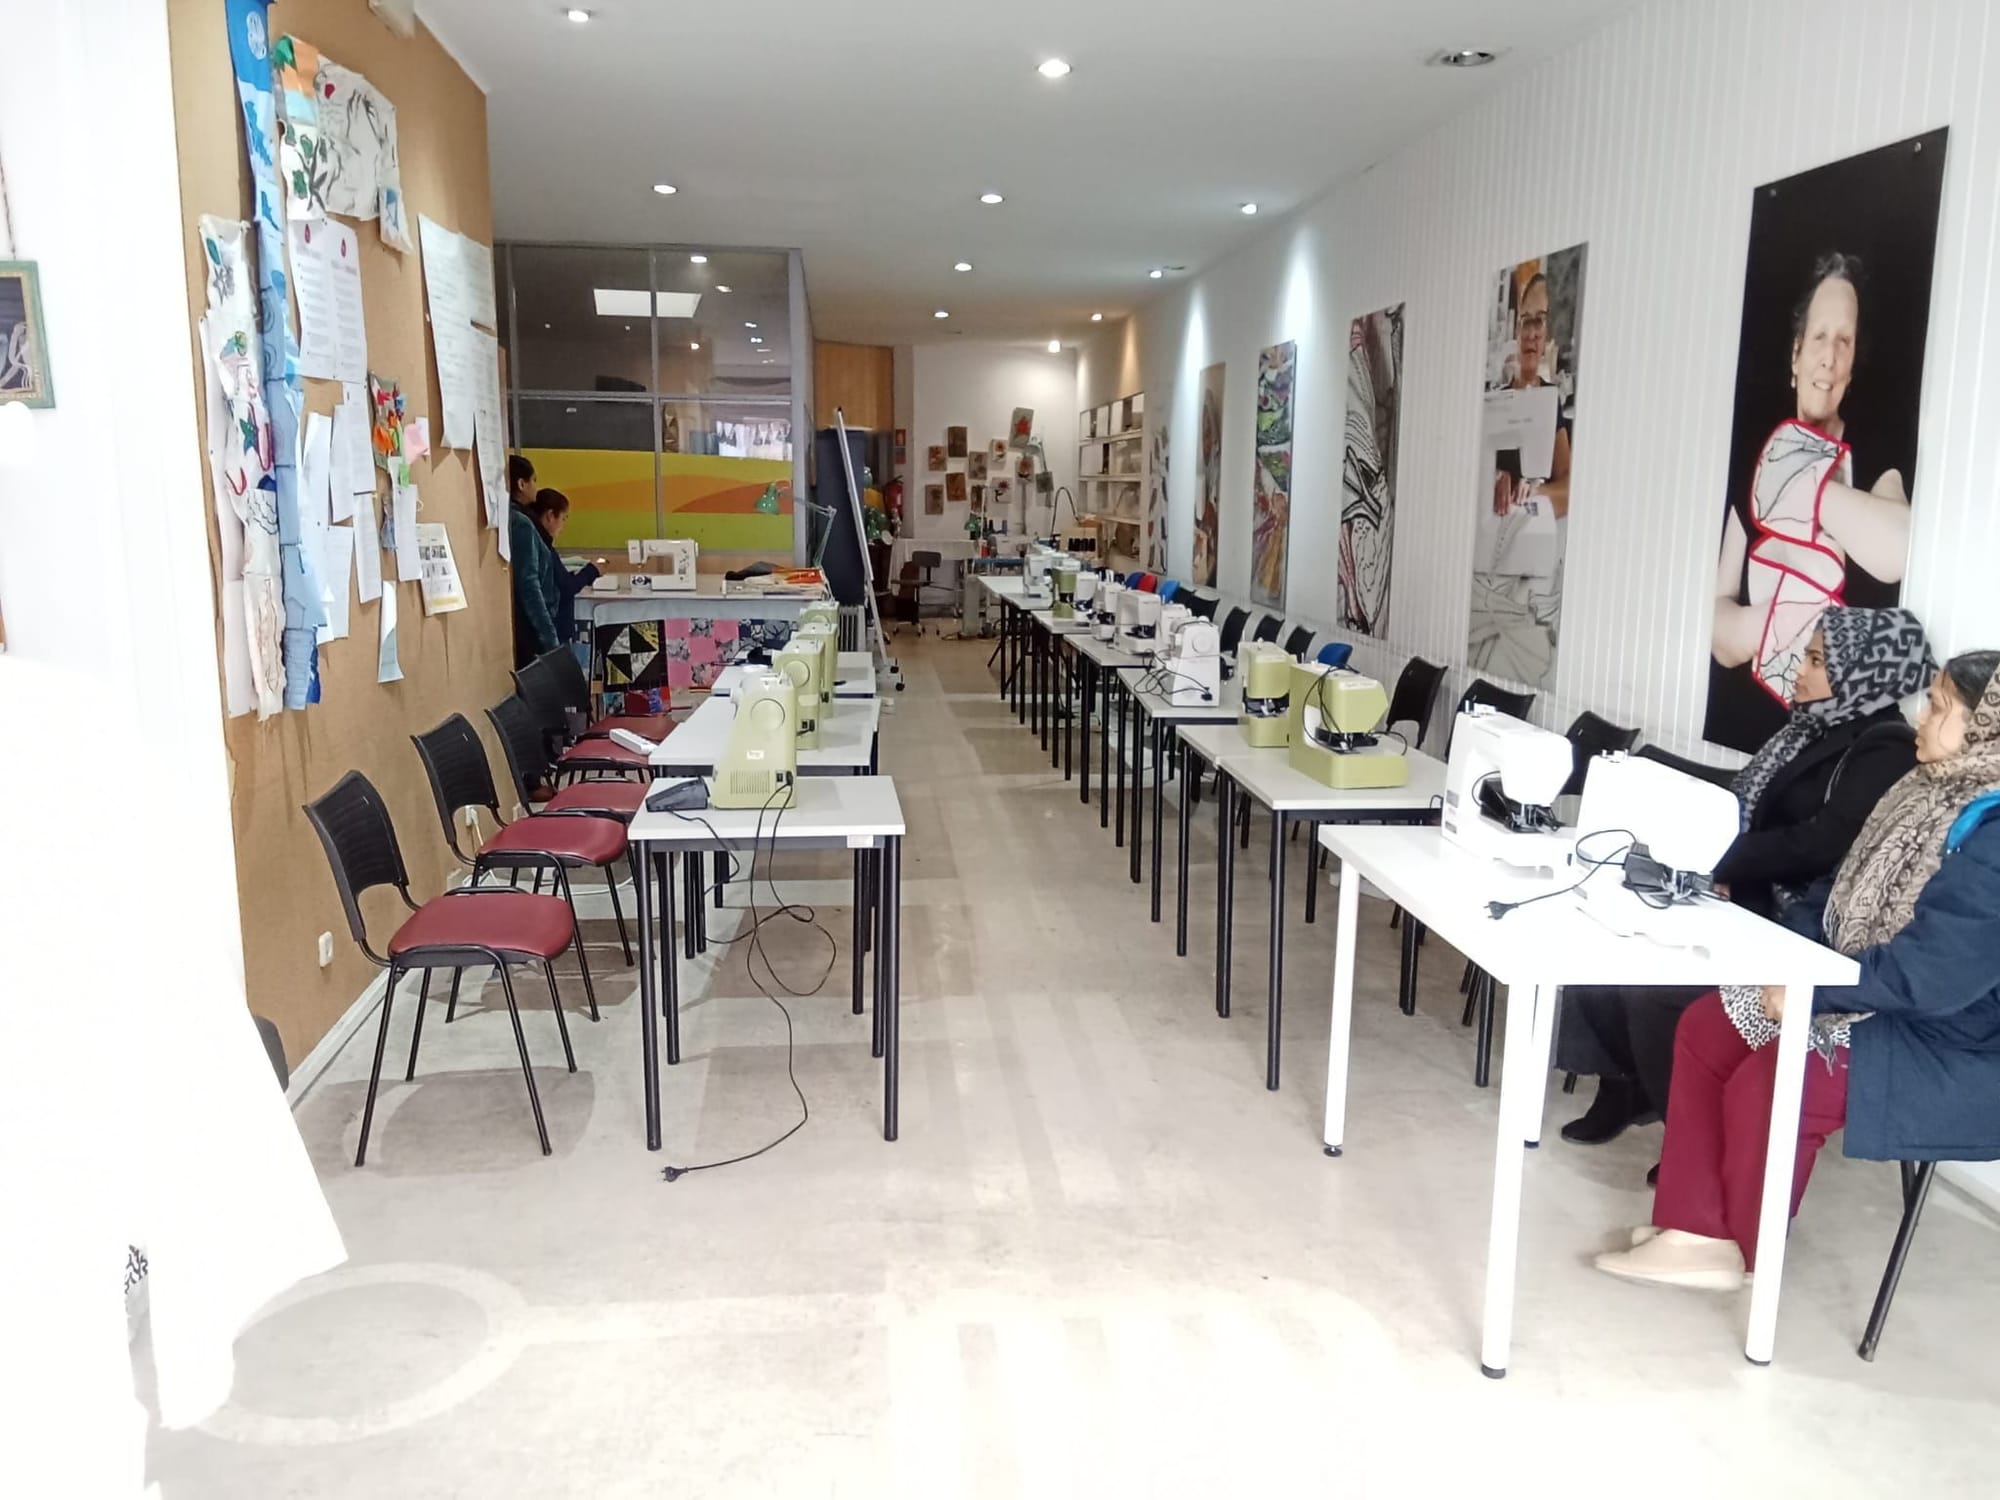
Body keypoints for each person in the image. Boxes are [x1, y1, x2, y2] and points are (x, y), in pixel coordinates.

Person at [1595, 651, 2000, 1290]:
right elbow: (1834, 890)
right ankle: (1694, 1228)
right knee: (1708, 1024)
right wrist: (1788, 956)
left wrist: (1814, 990)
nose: (1923, 716)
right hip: (1877, 994)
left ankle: (1745, 1246)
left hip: (1949, 1040)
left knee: (1779, 1074)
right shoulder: (1919, 791)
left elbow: (1933, 975)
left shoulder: (1993, 830)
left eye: (1941, 707)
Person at [1558, 606, 1930, 1147]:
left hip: (1792, 913)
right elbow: (1746, 809)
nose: (1799, 671)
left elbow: (1822, 844)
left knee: (1651, 986)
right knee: (1604, 937)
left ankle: (1689, 1133)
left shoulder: (1884, 746)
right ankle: (1623, 1082)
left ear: (1863, 670)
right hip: (1746, 888)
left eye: (1817, 661)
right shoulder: (1808, 727)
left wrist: (1716, 860)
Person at [1710, 253, 1916, 746]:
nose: (1830, 356)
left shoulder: (1877, 454)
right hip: (1747, 733)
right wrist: (1782, 621)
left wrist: (1806, 488)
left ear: (1852, 365)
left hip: (1838, 748)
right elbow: (1718, 627)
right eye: (1820, 336)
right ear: (1796, 354)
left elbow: (1897, 552)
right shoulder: (1752, 458)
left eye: (1844, 340)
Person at [506, 454, 560, 668]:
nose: (536, 487)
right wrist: (550, 638)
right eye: (534, 480)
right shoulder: (521, 523)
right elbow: (529, 583)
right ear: (521, 484)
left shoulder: (516, 517)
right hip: (530, 629)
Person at [530, 488, 603, 644]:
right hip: (555, 630)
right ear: (550, 516)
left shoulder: (538, 544)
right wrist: (591, 571)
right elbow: (566, 588)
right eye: (563, 518)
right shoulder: (544, 548)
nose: (563, 526)